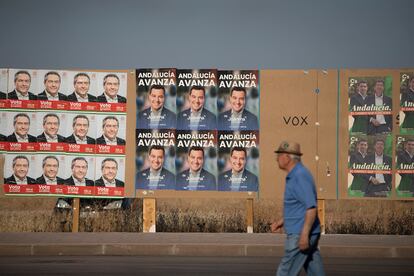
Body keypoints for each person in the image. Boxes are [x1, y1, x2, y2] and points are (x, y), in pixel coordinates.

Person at [271, 141, 324, 276]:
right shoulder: (296, 174)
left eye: (279, 155)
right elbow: (299, 206)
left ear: (287, 157)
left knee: (285, 272)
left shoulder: (299, 176)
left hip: (299, 234)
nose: (277, 158)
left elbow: (311, 208)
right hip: (304, 232)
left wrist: (304, 235)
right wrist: (281, 222)